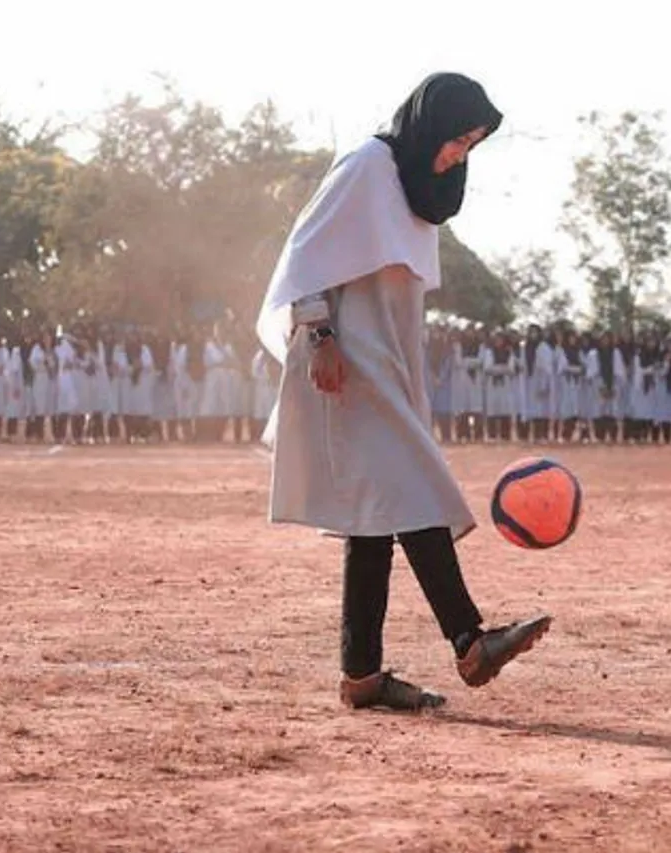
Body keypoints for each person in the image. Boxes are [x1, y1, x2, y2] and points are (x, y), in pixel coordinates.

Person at [254, 73, 552, 713]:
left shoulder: (422, 197)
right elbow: (304, 255)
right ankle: (471, 641)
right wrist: (322, 336)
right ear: (428, 125)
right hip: (346, 364)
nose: (458, 155)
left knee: (375, 519)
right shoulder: (367, 165)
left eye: (471, 145)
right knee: (415, 492)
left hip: (391, 367)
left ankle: (361, 676)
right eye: (455, 139)